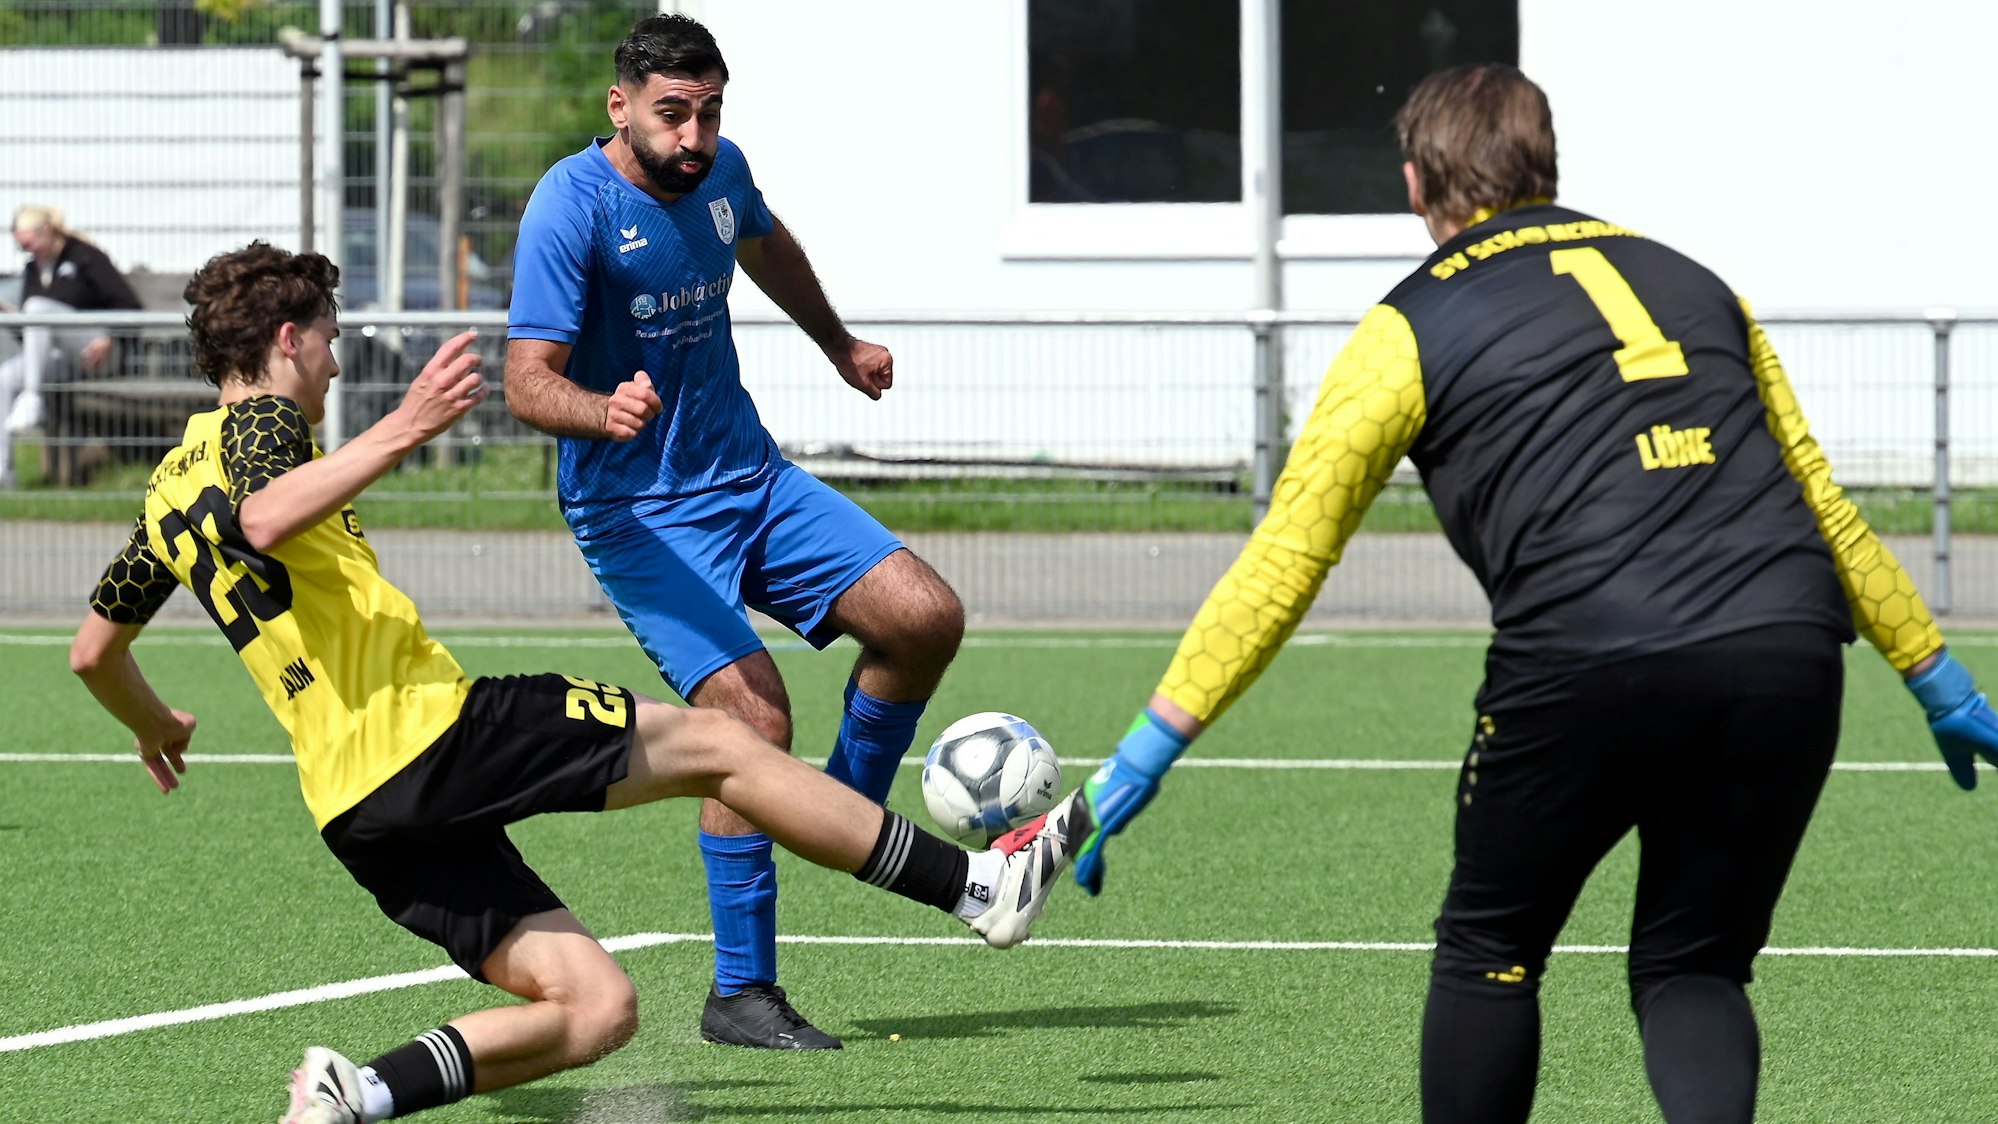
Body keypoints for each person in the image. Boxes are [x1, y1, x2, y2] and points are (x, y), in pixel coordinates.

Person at [1069, 64, 1998, 1124]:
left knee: (1491, 952)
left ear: (1417, 184)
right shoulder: (1698, 281)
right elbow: (1823, 504)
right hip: (1783, 649)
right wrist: (1935, 674)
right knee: (1694, 966)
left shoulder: (1406, 324)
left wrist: (1148, 748)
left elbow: (1287, 556)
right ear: (1546, 165)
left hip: (1586, 657)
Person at [67, 241, 1090, 1124]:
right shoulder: (265, 428)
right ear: (285, 340)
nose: (335, 363)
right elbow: (262, 517)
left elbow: (93, 649)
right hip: (430, 731)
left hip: (354, 805)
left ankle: (356, 1093)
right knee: (727, 740)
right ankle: (978, 887)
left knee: (595, 1006)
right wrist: (406, 427)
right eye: (329, 336)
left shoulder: (166, 487)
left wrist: (154, 722)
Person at [504, 14, 970, 1050]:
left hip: (749, 475)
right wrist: (601, 409)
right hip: (637, 511)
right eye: (674, 113)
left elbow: (765, 242)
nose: (696, 135)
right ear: (620, 106)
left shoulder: (724, 170)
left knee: (926, 616)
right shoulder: (567, 209)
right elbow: (525, 381)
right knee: (750, 723)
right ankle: (740, 994)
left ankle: (839, 809)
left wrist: (840, 343)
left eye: (710, 112)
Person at [1, 204, 143, 487]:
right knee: (3, 378)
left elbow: (130, 307)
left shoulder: (86, 257)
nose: (27, 251)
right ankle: (3, 474)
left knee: (38, 307)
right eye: (21, 246)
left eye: (29, 243)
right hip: (61, 358)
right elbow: (33, 338)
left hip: (101, 353)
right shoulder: (32, 270)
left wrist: (109, 337)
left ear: (47, 231)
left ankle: (32, 396)